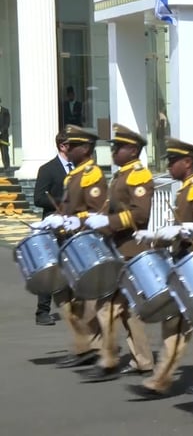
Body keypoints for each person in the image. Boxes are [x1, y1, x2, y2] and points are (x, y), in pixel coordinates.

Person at [128, 137, 193, 398]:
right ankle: (165, 378)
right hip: (183, 264)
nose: (168, 165)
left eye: (172, 161)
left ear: (187, 163)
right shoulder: (185, 189)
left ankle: (168, 379)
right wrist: (156, 236)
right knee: (180, 325)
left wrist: (179, 231)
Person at [81, 124, 155, 383]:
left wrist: (108, 223)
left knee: (106, 307)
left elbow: (140, 214)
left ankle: (108, 358)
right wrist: (90, 218)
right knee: (128, 311)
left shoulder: (138, 175)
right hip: (119, 248)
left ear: (133, 150)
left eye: (117, 147)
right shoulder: (122, 174)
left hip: (130, 250)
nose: (113, 151)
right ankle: (143, 360)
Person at [35, 125, 104, 367]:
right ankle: (84, 345)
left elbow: (94, 206)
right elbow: (38, 197)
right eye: (69, 145)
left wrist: (73, 216)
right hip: (59, 231)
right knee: (60, 286)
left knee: (85, 296)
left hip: (80, 238)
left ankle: (94, 347)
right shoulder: (49, 169)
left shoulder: (87, 172)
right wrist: (57, 212)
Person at [32, 131, 71, 326]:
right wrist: (61, 203)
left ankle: (75, 306)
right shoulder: (47, 169)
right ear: (63, 146)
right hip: (53, 224)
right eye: (74, 145)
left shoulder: (81, 169)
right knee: (50, 267)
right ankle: (42, 311)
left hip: (75, 224)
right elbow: (38, 198)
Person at [0, 97, 10, 170]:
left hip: (3, 136)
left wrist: (1, 131)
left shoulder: (5, 111)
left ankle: (7, 167)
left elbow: (7, 123)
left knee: (4, 152)